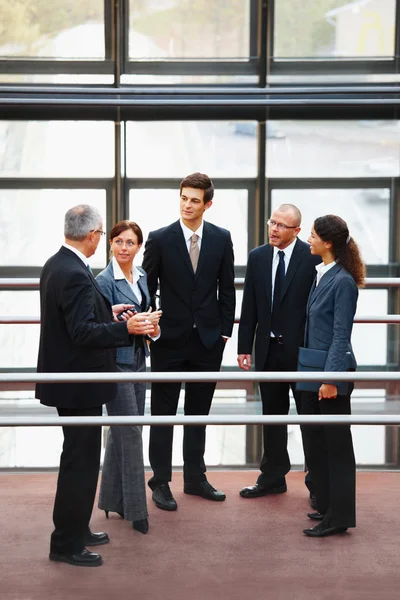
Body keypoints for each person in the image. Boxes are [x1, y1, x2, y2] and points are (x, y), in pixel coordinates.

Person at [36, 205, 156, 567]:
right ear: (92, 236)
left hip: (71, 381)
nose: (101, 241)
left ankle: (77, 529)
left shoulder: (58, 263)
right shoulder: (73, 272)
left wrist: (111, 312)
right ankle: (66, 543)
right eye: (103, 235)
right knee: (80, 463)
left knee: (80, 460)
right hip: (79, 384)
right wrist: (126, 329)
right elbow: (81, 333)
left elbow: (79, 319)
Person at [142, 172, 235, 511]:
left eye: (195, 200)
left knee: (198, 413)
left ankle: (195, 478)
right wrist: (153, 328)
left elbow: (227, 288)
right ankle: (161, 482)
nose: (187, 205)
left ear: (207, 204)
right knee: (163, 413)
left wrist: (224, 332)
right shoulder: (160, 238)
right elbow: (145, 288)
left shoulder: (222, 239)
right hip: (169, 340)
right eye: (183, 198)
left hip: (208, 341)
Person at [237, 204, 320, 500]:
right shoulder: (258, 257)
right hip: (268, 350)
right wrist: (244, 346)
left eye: (282, 225)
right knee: (272, 416)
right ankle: (272, 477)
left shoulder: (311, 257)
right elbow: (249, 306)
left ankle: (317, 483)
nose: (274, 229)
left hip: (301, 353)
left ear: (296, 231)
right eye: (272, 222)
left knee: (309, 417)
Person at [301, 214, 365, 538]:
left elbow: (341, 336)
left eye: (312, 236)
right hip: (316, 371)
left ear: (327, 243)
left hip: (331, 375)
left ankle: (339, 517)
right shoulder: (323, 274)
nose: (308, 240)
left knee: (338, 448)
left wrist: (330, 379)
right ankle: (329, 509)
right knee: (321, 445)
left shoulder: (342, 281)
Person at [96, 220, 161, 534]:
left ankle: (111, 499)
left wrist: (153, 327)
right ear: (110, 243)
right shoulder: (103, 281)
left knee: (123, 431)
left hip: (139, 359)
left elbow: (147, 316)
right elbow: (99, 325)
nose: (124, 248)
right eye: (118, 241)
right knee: (132, 431)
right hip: (115, 363)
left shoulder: (143, 276)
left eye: (130, 243)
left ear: (139, 248)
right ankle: (138, 510)